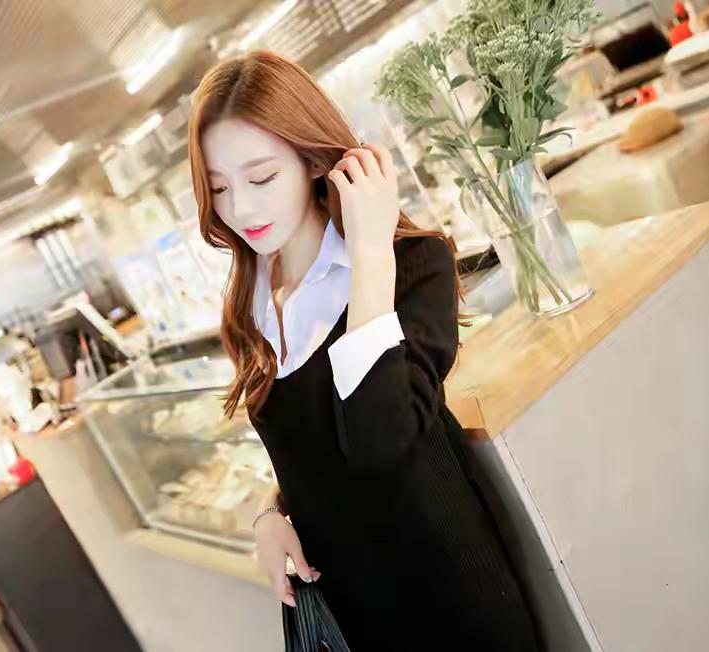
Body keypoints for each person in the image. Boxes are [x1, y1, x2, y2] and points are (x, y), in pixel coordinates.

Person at [187, 51, 539, 651]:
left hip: (452, 609)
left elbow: (381, 443)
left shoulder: (411, 267)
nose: (240, 208)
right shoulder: (251, 300)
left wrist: (370, 257)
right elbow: (312, 448)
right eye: (219, 188)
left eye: (262, 178)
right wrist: (270, 513)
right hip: (359, 617)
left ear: (313, 160)